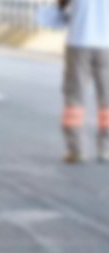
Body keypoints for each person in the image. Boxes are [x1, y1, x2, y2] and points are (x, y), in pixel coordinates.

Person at [58, 0, 109, 163]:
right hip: (106, 44)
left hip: (79, 41)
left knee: (75, 97)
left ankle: (76, 149)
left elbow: (62, 6)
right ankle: (106, 149)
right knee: (107, 97)